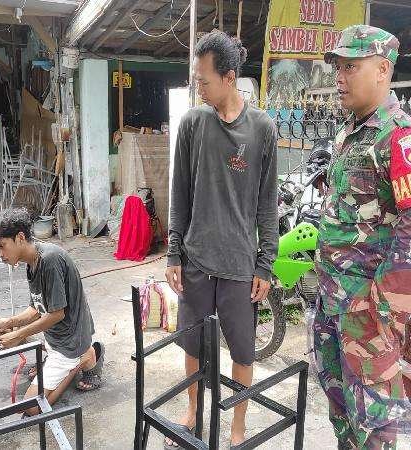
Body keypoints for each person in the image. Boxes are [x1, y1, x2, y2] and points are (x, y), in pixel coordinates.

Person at [314, 25, 411, 449]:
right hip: (333, 299)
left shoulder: (402, 137)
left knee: (374, 419)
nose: (339, 77)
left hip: (367, 312)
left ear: (383, 69)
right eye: (337, 67)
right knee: (340, 406)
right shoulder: (351, 132)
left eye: (351, 67)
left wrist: (381, 309)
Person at [165, 30, 278, 447]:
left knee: (243, 352)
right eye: (196, 79)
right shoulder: (193, 123)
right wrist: (173, 252)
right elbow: (180, 192)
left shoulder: (262, 128)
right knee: (193, 344)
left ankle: (237, 427)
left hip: (239, 265)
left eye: (204, 80)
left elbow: (267, 203)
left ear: (229, 78)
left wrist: (265, 263)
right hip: (196, 259)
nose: (199, 87)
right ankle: (193, 411)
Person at [0, 208, 104, 415]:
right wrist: (7, 323)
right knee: (12, 333)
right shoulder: (32, 262)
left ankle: (81, 359)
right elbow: (36, 309)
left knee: (31, 408)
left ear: (20, 238)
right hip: (56, 336)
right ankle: (74, 357)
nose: (0, 255)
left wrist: (17, 334)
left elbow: (57, 314)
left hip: (70, 342)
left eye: (2, 246)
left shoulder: (50, 260)